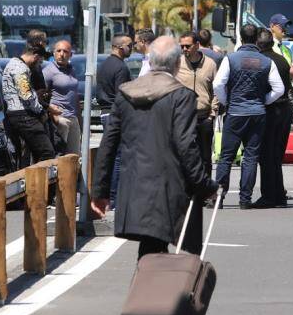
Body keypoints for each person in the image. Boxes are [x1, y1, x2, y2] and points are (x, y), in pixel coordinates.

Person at [91, 36, 219, 259]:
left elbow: (108, 144)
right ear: (177, 64)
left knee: (149, 252)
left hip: (134, 186)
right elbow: (185, 145)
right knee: (177, 259)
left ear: (150, 63)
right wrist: (204, 184)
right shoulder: (181, 96)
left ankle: (147, 291)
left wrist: (100, 191)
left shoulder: (125, 93)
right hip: (169, 188)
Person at [213, 23, 284, 209]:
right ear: (256, 40)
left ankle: (218, 198)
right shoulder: (267, 61)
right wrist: (264, 101)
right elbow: (279, 89)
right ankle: (245, 199)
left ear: (242, 38)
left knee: (226, 157)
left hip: (235, 112)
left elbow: (218, 85)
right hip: (258, 114)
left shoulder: (231, 59)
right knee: (251, 157)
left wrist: (227, 101)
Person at [255, 28, 293, 208]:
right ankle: (279, 195)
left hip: (269, 111)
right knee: (276, 156)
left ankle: (269, 196)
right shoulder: (282, 60)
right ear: (272, 43)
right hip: (284, 111)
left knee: (266, 156)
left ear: (257, 44)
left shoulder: (261, 61)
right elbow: (289, 88)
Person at [176, 30, 219, 249]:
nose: (184, 50)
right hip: (183, 117)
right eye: (181, 46)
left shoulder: (211, 64)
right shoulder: (177, 64)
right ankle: (186, 191)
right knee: (184, 155)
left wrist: (212, 112)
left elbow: (216, 90)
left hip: (204, 116)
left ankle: (205, 192)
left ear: (197, 45)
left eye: (187, 46)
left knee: (204, 156)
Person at [96, 34, 133, 210]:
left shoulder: (104, 65)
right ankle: (114, 198)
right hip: (115, 114)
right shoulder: (121, 68)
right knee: (118, 157)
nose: (131, 48)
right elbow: (122, 95)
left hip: (105, 113)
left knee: (110, 155)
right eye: (129, 45)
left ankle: (110, 197)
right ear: (119, 47)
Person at [3, 42, 55, 164]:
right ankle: (40, 182)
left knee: (32, 154)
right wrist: (41, 111)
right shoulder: (20, 68)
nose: (39, 65)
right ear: (35, 56)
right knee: (47, 152)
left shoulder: (13, 64)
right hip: (23, 116)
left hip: (17, 115)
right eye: (40, 61)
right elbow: (26, 95)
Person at [42, 40, 83, 155]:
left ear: (70, 54)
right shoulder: (48, 72)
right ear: (53, 53)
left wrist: (81, 120)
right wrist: (53, 115)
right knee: (59, 156)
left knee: (75, 157)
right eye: (58, 51)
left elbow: (75, 97)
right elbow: (39, 96)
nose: (61, 54)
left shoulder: (71, 70)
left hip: (73, 118)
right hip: (60, 119)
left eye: (65, 51)